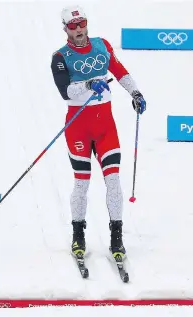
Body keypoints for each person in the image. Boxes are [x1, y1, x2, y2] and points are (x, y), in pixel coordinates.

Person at [50, 6, 146, 261]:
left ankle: (117, 237)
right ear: (65, 29)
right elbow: (65, 92)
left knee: (113, 181)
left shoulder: (102, 44)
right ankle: (78, 235)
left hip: (105, 126)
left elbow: (119, 70)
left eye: (81, 23)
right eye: (73, 26)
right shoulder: (60, 57)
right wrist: (90, 84)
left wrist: (135, 92)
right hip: (78, 127)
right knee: (82, 183)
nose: (79, 29)